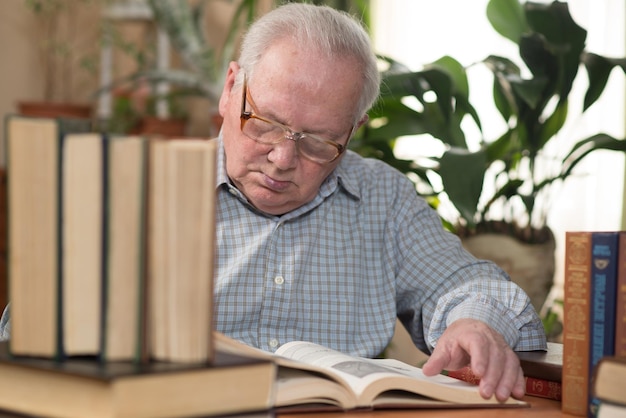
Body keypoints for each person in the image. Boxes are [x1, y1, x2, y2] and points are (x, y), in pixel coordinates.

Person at [0, 2, 546, 403]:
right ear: (231, 88)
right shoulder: (142, 186)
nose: (283, 159)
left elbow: (475, 286)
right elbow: (21, 339)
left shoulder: (381, 196)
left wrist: (477, 323)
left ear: (353, 131)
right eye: (264, 124)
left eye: (317, 142)